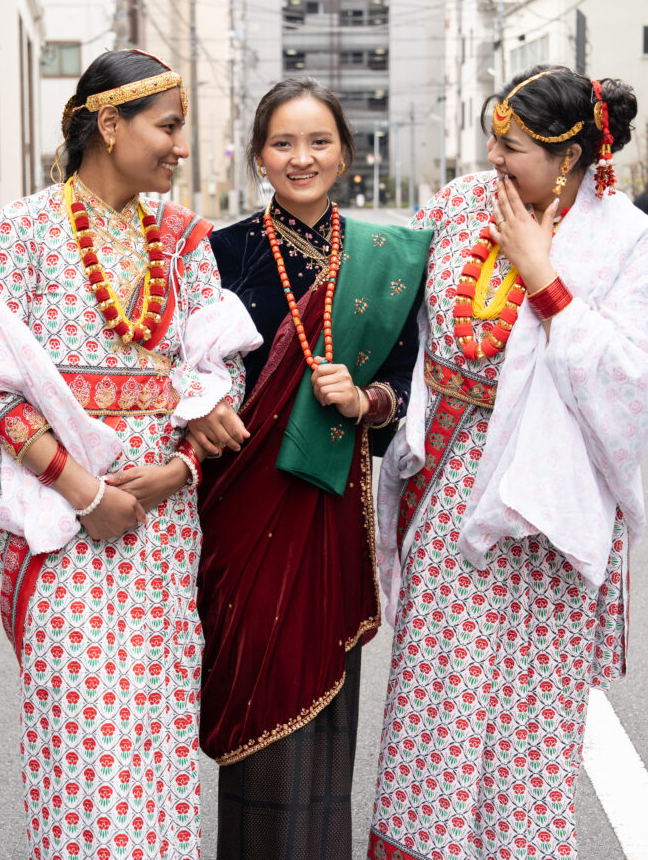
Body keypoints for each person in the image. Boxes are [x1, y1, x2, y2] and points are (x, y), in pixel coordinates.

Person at [0, 49, 259, 860]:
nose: (180, 147)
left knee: (156, 744)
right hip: (63, 529)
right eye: (167, 127)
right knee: (85, 748)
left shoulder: (183, 240)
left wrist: (182, 468)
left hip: (162, 534)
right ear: (107, 124)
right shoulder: (24, 230)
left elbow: (220, 369)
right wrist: (88, 494)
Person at [369, 66, 648, 860]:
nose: (492, 157)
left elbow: (629, 381)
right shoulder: (460, 204)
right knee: (438, 696)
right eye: (492, 138)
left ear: (568, 158)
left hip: (551, 506)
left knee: (531, 714)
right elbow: (386, 307)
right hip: (451, 486)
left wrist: (543, 277)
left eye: (513, 145)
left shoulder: (624, 238)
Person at [191, 77, 432, 860]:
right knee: (256, 682)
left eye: (318, 141)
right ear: (258, 156)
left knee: (319, 680)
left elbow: (406, 385)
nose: (301, 158)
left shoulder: (388, 258)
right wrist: (199, 407)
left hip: (327, 503)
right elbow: (182, 372)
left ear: (345, 154)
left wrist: (365, 400)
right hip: (239, 507)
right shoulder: (218, 254)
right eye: (283, 143)